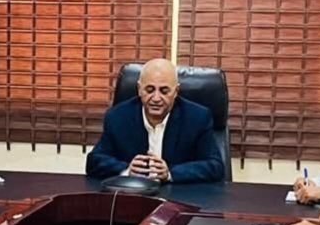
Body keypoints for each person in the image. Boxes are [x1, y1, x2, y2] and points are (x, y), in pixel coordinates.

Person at [86, 58, 224, 183]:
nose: (156, 98)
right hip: (135, 195)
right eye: (149, 90)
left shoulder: (197, 118)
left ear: (176, 91)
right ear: (139, 89)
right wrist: (127, 169)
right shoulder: (117, 117)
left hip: (179, 196)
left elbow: (215, 166)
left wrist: (170, 173)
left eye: (164, 91)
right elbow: (94, 161)